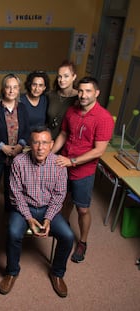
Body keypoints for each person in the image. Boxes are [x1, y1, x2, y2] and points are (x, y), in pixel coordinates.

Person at [0, 126, 74, 298]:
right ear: (30, 144)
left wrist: (48, 219)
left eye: (45, 143)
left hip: (49, 209)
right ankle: (11, 271)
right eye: (36, 142)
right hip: (24, 207)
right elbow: (15, 194)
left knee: (68, 236)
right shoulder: (18, 162)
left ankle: (57, 273)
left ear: (51, 144)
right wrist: (29, 217)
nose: (40, 147)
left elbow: (59, 195)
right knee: (12, 232)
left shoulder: (59, 164)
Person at [52, 77, 114, 263]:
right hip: (64, 164)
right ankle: (64, 230)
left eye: (88, 91)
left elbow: (99, 150)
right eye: (80, 91)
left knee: (83, 209)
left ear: (96, 93)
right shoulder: (72, 110)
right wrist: (50, 154)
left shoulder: (104, 118)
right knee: (64, 201)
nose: (83, 95)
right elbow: (63, 134)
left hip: (83, 172)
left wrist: (72, 161)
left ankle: (83, 242)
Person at [0, 74, 30, 216]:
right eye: (8, 87)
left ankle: (8, 212)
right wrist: (2, 147)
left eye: (15, 87)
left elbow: (26, 130)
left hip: (16, 155)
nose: (11, 91)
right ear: (3, 89)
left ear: (19, 89)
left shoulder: (22, 108)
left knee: (11, 186)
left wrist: (20, 146)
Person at [46, 60, 79, 139]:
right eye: (59, 76)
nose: (62, 80)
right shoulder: (50, 95)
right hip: (49, 140)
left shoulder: (80, 97)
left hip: (68, 142)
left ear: (74, 77)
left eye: (66, 76)